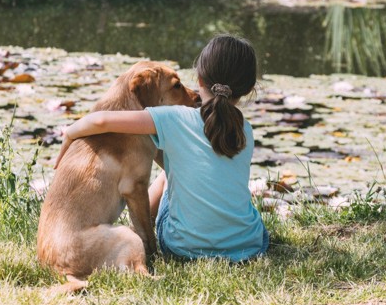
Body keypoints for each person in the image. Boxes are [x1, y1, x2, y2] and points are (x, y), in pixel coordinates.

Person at [53, 34, 269, 262]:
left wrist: (70, 133)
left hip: (183, 248)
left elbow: (100, 121)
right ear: (248, 89)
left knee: (168, 177)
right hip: (249, 246)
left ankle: (143, 234)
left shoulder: (172, 118)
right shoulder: (246, 130)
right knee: (249, 218)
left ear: (199, 80)